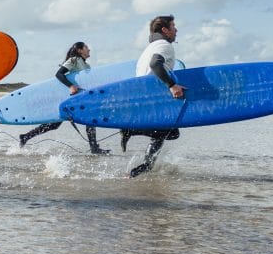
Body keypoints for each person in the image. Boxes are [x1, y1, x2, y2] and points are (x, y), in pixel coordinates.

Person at [18, 42, 110, 155]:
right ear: (80, 50)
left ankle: (94, 147)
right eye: (86, 47)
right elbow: (59, 74)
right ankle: (25, 136)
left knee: (85, 120)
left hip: (81, 98)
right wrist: (71, 86)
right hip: (72, 98)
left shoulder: (86, 66)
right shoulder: (74, 60)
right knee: (56, 124)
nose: (89, 49)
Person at [122, 14, 185, 177]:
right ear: (165, 30)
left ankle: (145, 166)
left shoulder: (149, 48)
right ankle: (131, 131)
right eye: (173, 27)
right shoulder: (164, 45)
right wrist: (172, 85)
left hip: (145, 97)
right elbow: (155, 65)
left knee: (163, 133)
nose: (176, 30)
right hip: (154, 98)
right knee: (171, 132)